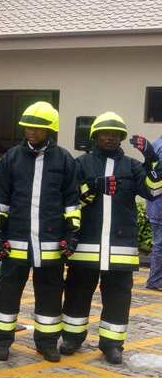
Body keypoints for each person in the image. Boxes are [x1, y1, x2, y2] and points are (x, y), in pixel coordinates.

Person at [60, 113, 162, 364]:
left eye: (116, 134)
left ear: (122, 139)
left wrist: (152, 159)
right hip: (85, 245)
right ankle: (73, 338)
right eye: (105, 133)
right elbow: (69, 197)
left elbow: (154, 190)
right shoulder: (80, 164)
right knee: (76, 293)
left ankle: (112, 344)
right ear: (95, 136)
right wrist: (92, 186)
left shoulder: (132, 166)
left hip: (120, 247)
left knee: (118, 297)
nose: (110, 137)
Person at [0, 101, 79, 363]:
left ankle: (47, 342)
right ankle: (2, 342)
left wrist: (72, 235)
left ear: (50, 129)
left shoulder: (64, 159)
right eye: (28, 127)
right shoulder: (11, 158)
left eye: (37, 128)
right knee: (7, 291)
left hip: (51, 242)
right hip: (15, 240)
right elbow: (1, 199)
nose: (31, 131)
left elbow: (71, 201)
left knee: (50, 292)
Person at [145, 134, 162, 291]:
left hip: (155, 204)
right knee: (160, 245)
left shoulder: (155, 143)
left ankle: (156, 279)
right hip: (159, 205)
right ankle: (155, 280)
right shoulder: (160, 146)